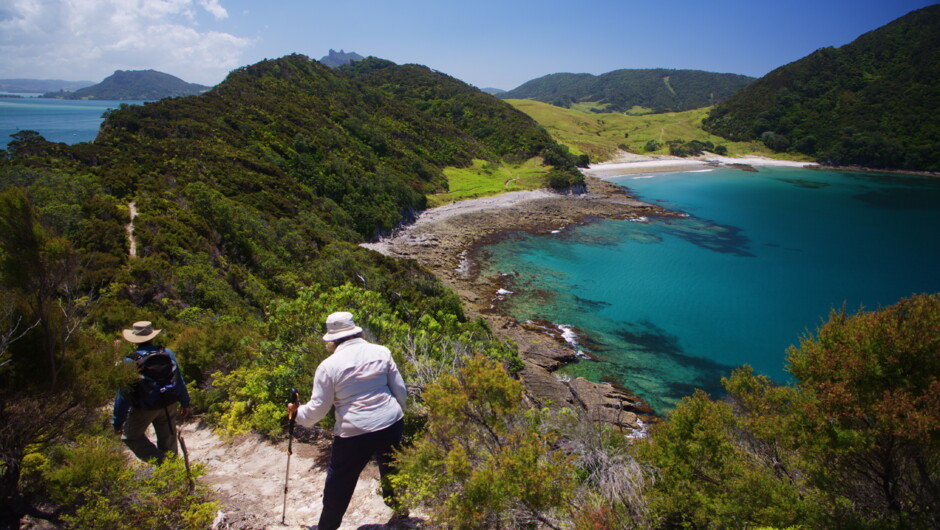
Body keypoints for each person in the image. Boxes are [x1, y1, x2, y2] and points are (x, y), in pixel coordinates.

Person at [288, 311, 408, 530]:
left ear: (331, 339)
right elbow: (400, 391)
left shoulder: (328, 367)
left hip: (355, 432)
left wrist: (297, 415)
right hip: (391, 421)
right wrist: (396, 413)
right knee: (392, 467)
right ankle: (400, 512)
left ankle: (326, 527)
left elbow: (318, 410)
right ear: (356, 330)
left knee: (340, 482)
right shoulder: (381, 352)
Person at [112, 321, 191, 463]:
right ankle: (173, 475)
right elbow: (179, 380)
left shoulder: (130, 361)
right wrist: (185, 402)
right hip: (169, 402)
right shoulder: (167, 353)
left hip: (145, 407)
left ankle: (161, 461)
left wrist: (118, 420)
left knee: (131, 437)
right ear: (152, 336)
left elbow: (123, 394)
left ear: (135, 340)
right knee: (168, 441)